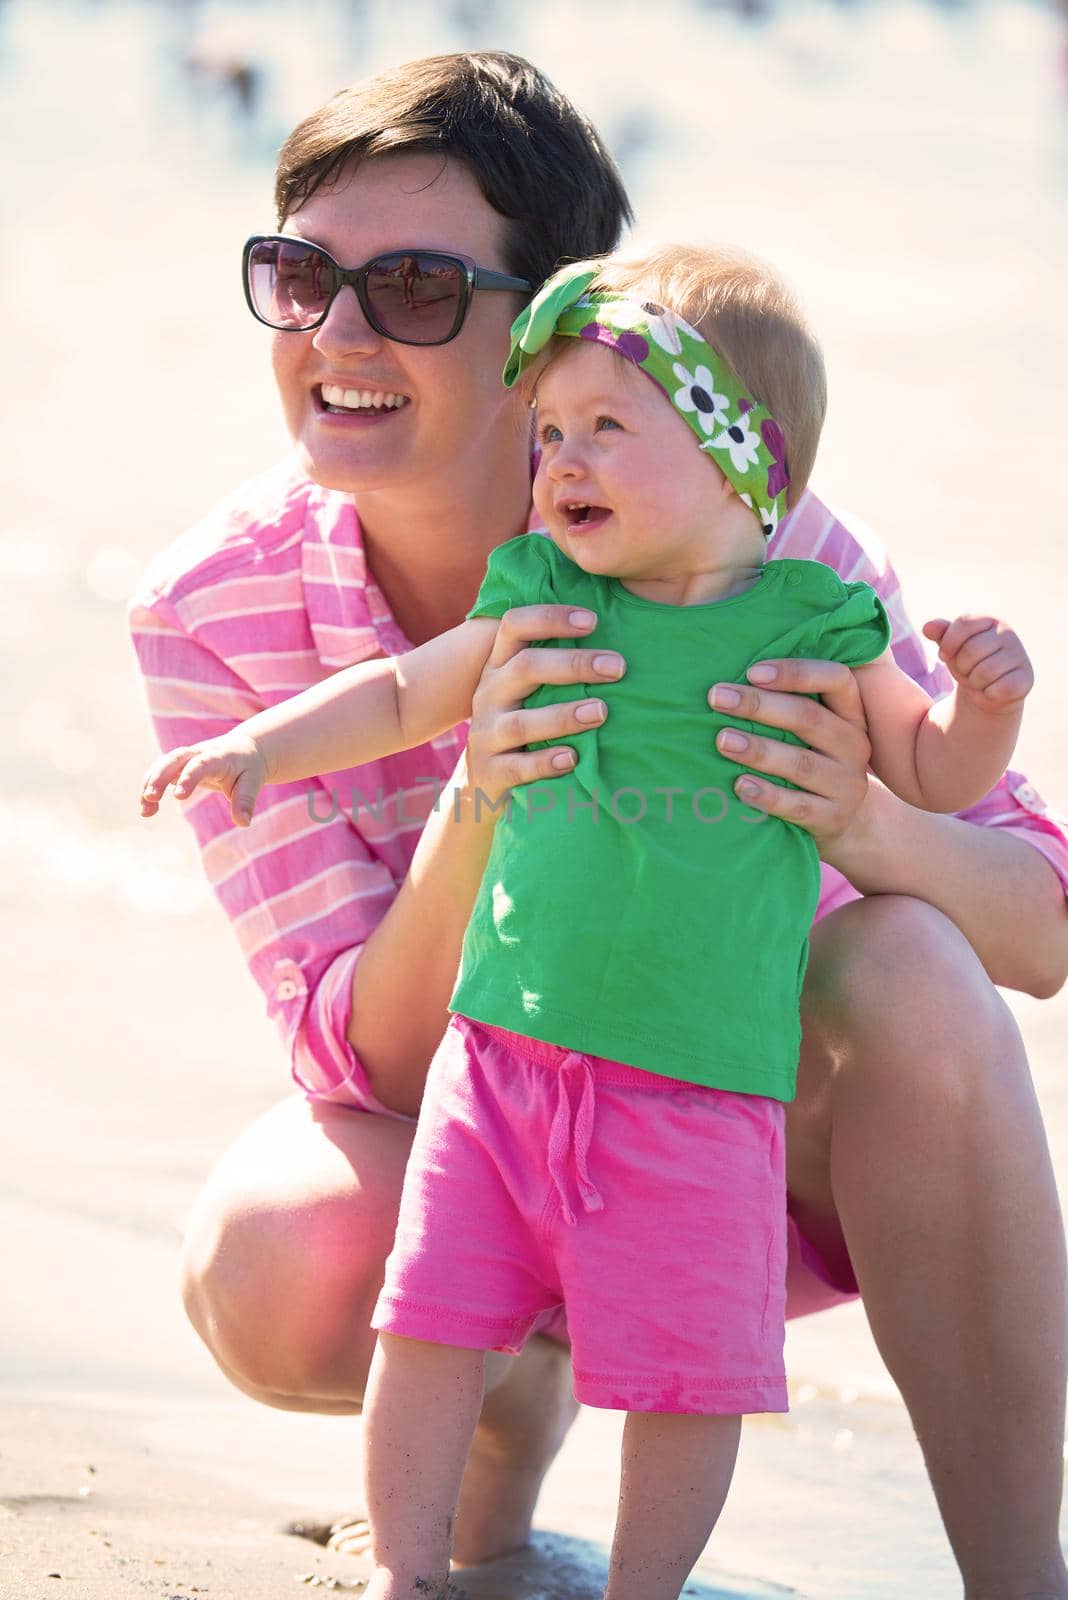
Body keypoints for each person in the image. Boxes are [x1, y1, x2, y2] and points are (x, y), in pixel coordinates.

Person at [126, 50, 1068, 1598]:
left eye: (417, 286)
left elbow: (1033, 933)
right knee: (275, 1265)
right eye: (299, 279)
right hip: (487, 1121)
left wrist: (876, 828)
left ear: (557, 325)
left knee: (912, 964)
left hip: (741, 1137)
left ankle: (1018, 1574)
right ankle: (491, 1465)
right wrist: (485, 794)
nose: (339, 334)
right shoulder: (207, 610)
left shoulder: (753, 540)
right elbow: (355, 1062)